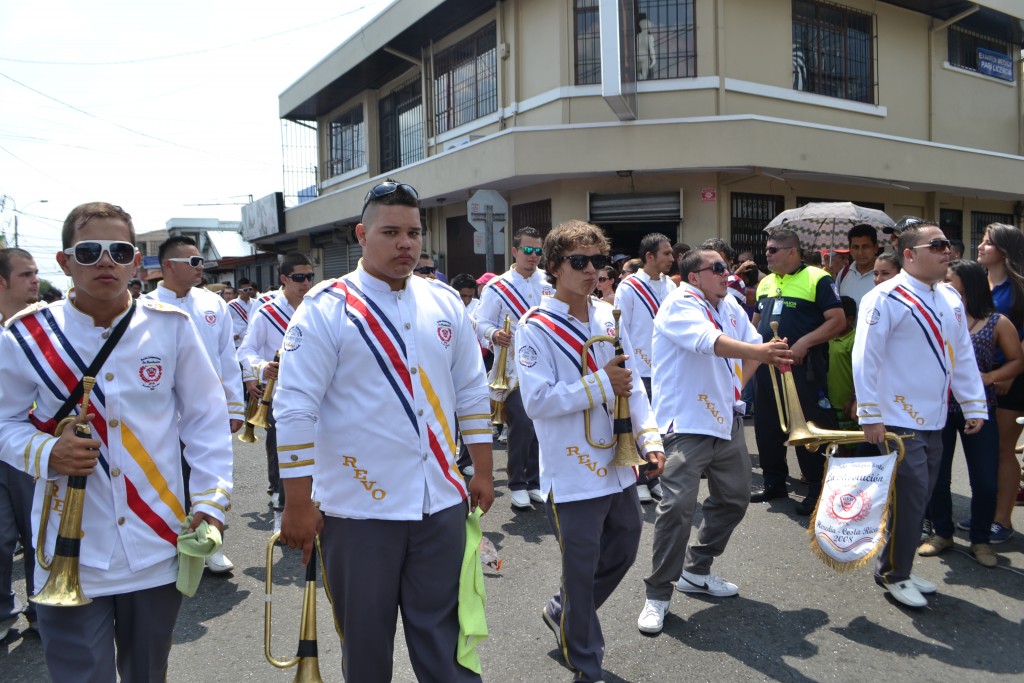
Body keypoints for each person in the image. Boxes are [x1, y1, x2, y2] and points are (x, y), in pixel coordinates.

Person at [0, 202, 233, 680]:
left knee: (148, 673)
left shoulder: (171, 326)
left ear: (135, 263)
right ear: (64, 262)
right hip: (69, 549)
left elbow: (206, 419)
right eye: (89, 251)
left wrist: (212, 500)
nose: (105, 261)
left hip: (155, 541)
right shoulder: (26, 336)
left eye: (118, 250)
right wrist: (47, 452)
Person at [276, 180, 493, 682]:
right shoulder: (327, 307)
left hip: (440, 500)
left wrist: (482, 470)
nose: (406, 244)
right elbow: (294, 408)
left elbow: (472, 391)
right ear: (361, 234)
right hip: (359, 509)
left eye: (414, 232)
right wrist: (297, 501)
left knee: (444, 635)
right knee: (367, 645)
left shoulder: (443, 302)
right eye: (391, 231)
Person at [515, 219, 664, 683]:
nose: (591, 271)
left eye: (598, 262)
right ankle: (586, 661)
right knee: (580, 570)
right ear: (555, 266)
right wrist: (601, 382)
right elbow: (536, 401)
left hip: (617, 461)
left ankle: (565, 611)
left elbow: (633, 383)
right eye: (579, 262)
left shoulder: (607, 315)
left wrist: (650, 436)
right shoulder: (534, 326)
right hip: (572, 467)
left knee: (624, 545)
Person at [637, 249, 790, 634]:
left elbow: (751, 342)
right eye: (717, 269)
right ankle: (658, 593)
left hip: (726, 421)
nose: (726, 274)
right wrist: (760, 354)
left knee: (735, 499)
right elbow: (713, 342)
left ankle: (697, 569)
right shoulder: (679, 304)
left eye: (726, 268)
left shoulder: (730, 305)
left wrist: (741, 381)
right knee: (677, 507)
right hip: (686, 423)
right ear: (694, 277)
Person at [853, 222, 986, 607]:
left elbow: (960, 355)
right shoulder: (885, 297)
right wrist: (870, 413)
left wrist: (973, 403)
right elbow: (866, 359)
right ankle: (896, 574)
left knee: (921, 496)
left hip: (935, 416)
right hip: (897, 419)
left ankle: (897, 566)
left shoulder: (950, 298)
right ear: (909, 254)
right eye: (937, 245)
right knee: (911, 498)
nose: (948, 251)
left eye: (948, 245)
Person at [145, 236, 244, 574]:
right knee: (171, 481)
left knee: (211, 473)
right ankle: (171, 545)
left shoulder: (214, 305)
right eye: (194, 262)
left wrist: (234, 406)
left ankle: (211, 542)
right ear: (168, 266)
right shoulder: (146, 307)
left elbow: (226, 359)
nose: (201, 267)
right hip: (164, 415)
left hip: (207, 411)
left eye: (202, 261)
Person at [920, 259, 1022, 568]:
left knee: (985, 479)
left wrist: (990, 378)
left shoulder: (996, 322)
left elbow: (1017, 361)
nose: (944, 283)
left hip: (980, 408)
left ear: (969, 283)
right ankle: (942, 533)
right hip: (939, 409)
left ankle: (980, 540)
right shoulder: (938, 317)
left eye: (951, 279)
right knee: (937, 477)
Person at [750, 227, 844, 515]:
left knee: (808, 426)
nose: (766, 254)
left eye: (772, 250)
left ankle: (817, 487)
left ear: (792, 251)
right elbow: (755, 325)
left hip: (804, 368)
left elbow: (838, 321)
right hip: (768, 368)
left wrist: (804, 343)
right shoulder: (765, 283)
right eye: (766, 249)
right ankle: (774, 481)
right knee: (766, 426)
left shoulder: (818, 278)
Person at [475, 227, 553, 509]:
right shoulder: (498, 286)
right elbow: (479, 321)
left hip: (546, 364)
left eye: (538, 251)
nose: (533, 256)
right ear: (515, 251)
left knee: (542, 422)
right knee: (521, 422)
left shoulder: (549, 282)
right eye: (528, 250)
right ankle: (517, 482)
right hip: (513, 368)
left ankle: (535, 480)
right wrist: (494, 334)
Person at [238, 253, 314, 532]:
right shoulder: (267, 312)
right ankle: (282, 512)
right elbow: (245, 350)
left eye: (310, 277)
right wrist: (261, 368)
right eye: (299, 278)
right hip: (282, 395)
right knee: (284, 452)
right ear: (284, 279)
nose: (306, 283)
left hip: (316, 393)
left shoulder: (317, 307)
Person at [615, 232, 676, 502]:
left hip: (667, 370)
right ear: (649, 257)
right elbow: (620, 330)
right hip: (640, 370)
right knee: (639, 426)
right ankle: (639, 478)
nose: (672, 259)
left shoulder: (672, 288)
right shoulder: (628, 288)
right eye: (666, 254)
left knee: (663, 429)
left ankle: (655, 478)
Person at [0, 248, 40, 639]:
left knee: (37, 531)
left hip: (29, 447)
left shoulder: (43, 330)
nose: (34, 281)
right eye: (26, 274)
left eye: (35, 273)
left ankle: (43, 607)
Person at [977, 223, 1024, 541]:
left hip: (1013, 378)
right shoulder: (978, 283)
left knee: (1005, 449)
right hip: (979, 377)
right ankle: (985, 514)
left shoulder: (1020, 287)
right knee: (985, 449)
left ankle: (1002, 520)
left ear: (1005, 250)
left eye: (987, 242)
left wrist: (1010, 372)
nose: (980, 246)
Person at [826, 297, 858, 432]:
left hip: (845, 403)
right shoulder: (826, 336)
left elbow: (858, 373)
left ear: (849, 320)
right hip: (829, 401)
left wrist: (852, 399)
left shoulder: (855, 340)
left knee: (849, 444)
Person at [836, 224, 880, 304]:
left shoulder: (886, 275)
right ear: (850, 249)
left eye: (865, 247)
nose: (860, 253)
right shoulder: (843, 274)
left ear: (875, 248)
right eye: (856, 247)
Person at [227, 277, 259, 349]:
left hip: (252, 342)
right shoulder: (231, 305)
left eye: (250, 289)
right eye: (245, 290)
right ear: (239, 291)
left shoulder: (256, 303)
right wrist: (232, 335)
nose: (248, 291)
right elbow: (225, 323)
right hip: (237, 343)